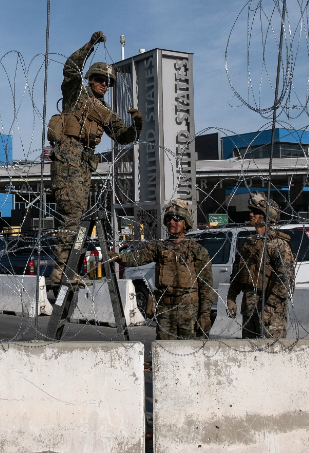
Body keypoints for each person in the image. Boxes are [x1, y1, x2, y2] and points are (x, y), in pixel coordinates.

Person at [47, 31, 143, 285]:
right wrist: (90, 45)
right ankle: (61, 270)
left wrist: (137, 125)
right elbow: (70, 68)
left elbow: (123, 136)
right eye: (100, 79)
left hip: (83, 165)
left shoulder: (105, 111)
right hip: (67, 160)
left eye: (107, 82)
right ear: (90, 79)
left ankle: (69, 269)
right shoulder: (76, 95)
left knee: (77, 218)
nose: (104, 84)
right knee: (71, 216)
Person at [113, 199, 214, 340]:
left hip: (189, 312)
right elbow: (138, 257)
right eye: (168, 219)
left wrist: (204, 314)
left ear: (185, 223)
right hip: (165, 311)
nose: (171, 222)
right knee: (164, 348)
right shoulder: (160, 248)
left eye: (176, 218)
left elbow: (206, 286)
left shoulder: (197, 251)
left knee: (190, 349)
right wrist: (119, 257)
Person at [227, 193, 296, 338]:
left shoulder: (278, 246)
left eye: (256, 212)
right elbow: (237, 274)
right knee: (249, 349)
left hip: (271, 313)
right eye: (251, 211)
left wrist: (269, 307)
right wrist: (231, 297)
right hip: (249, 310)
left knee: (273, 349)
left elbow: (286, 281)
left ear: (267, 216)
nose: (251, 214)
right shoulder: (248, 245)